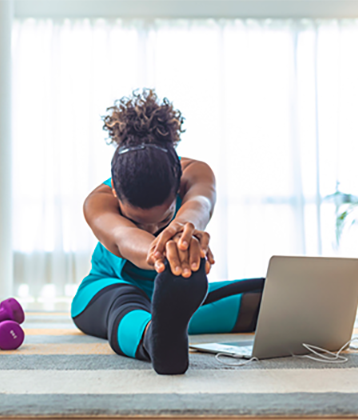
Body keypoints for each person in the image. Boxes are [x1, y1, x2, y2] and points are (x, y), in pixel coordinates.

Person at [71, 89, 264, 375]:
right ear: (114, 191)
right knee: (124, 304)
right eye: (139, 222)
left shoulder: (195, 173)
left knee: (272, 295)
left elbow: (200, 204)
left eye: (161, 219)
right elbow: (125, 241)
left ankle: (170, 318)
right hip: (108, 291)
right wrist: (166, 251)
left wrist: (183, 231)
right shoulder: (97, 203)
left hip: (174, 295)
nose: (152, 229)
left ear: (178, 186)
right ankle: (155, 339)